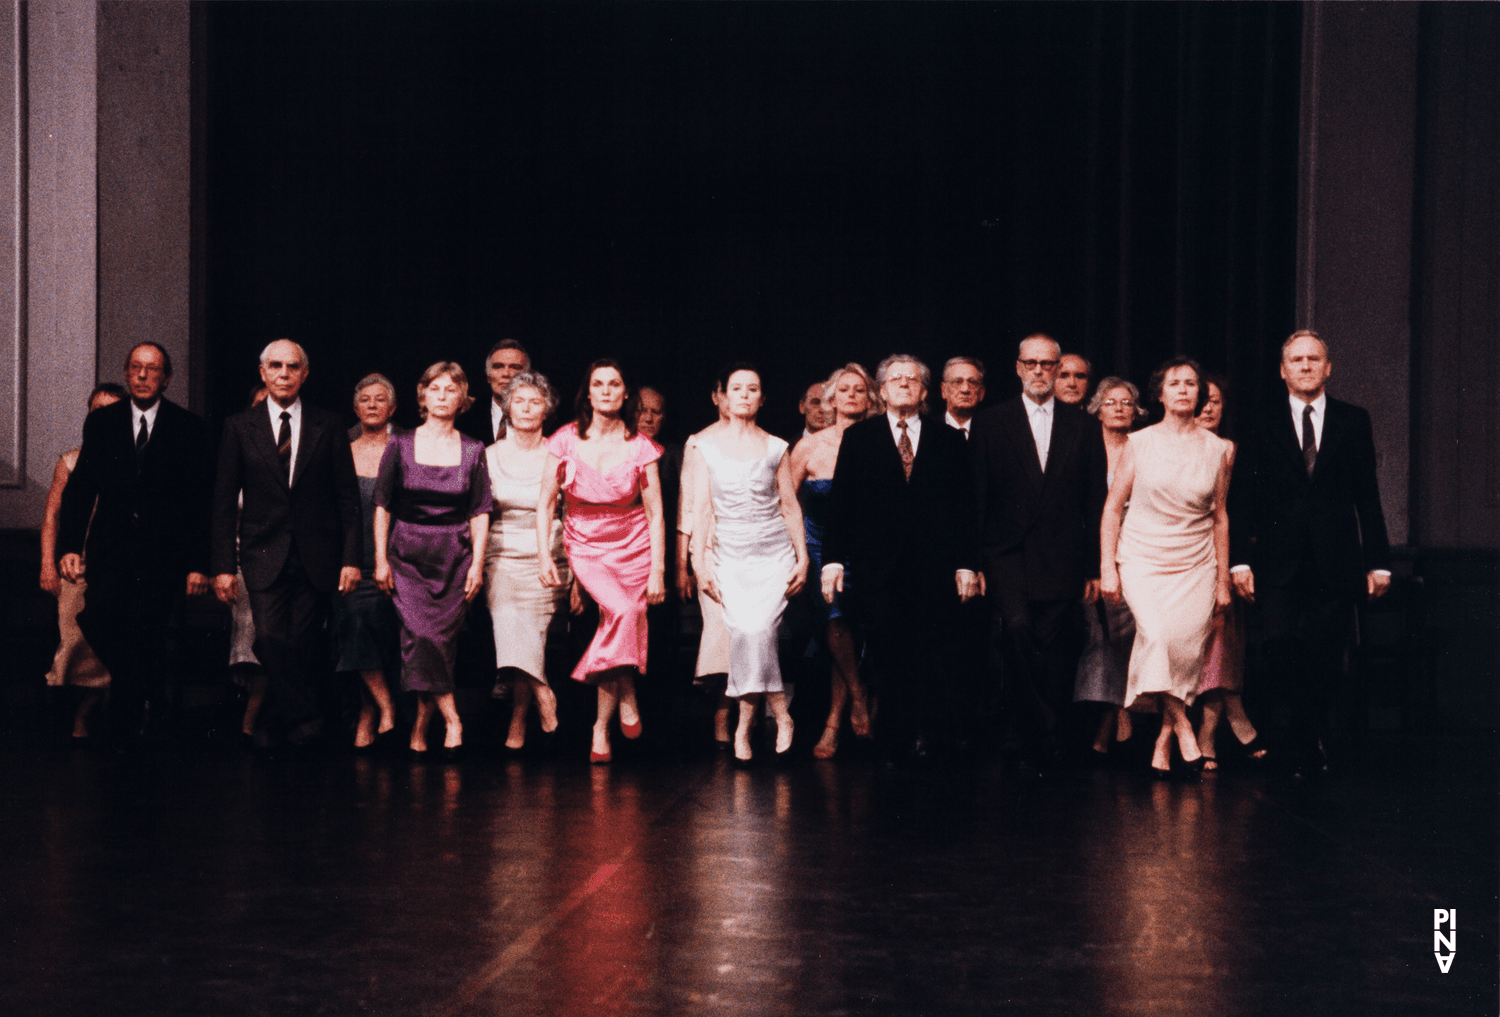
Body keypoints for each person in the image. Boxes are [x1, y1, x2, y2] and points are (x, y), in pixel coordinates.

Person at [1228, 329, 1391, 777]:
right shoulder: (1262, 421)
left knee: (1324, 652)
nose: (1305, 366)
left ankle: (1305, 737)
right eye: (1296, 360)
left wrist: (1378, 561)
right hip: (1278, 561)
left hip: (1336, 561)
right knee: (1279, 645)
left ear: (1328, 367)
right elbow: (1241, 497)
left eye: (1313, 359)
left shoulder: (1353, 420)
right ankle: (1301, 732)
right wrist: (1239, 559)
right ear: (1283, 371)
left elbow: (1368, 495)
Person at [821, 355, 980, 764]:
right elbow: (841, 505)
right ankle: (893, 739)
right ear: (883, 391)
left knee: (931, 651)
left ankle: (928, 736)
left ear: (925, 392)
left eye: (913, 379)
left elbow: (964, 508)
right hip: (878, 570)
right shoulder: (860, 438)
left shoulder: (948, 440)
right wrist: (833, 560)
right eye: (896, 379)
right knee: (886, 653)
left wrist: (966, 563)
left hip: (934, 570)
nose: (904, 384)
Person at [59, 343, 212, 749]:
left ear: (167, 377)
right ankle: (148, 696)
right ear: (127, 374)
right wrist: (69, 546)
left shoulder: (188, 427)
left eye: (153, 369)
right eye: (136, 368)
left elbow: (200, 502)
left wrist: (199, 563)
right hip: (112, 553)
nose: (143, 376)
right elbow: (81, 488)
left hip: (163, 558)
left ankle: (131, 725)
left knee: (149, 634)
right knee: (98, 618)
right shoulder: (103, 422)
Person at [211, 339, 363, 748]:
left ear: (304, 374)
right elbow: (224, 503)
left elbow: (348, 501)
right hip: (261, 555)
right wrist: (224, 565)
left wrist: (350, 559)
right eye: (274, 366)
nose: (283, 373)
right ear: (262, 373)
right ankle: (308, 720)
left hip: (317, 557)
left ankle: (284, 724)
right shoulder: (239, 426)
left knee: (305, 643)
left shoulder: (328, 425)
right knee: (271, 637)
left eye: (291, 366)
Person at [970, 334, 1108, 769]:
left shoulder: (1083, 426)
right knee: (1015, 630)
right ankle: (1043, 728)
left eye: (1048, 364)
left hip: (1062, 556)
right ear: (1017, 368)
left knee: (1052, 645)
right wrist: (974, 563)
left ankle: (1027, 731)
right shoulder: (992, 422)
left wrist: (1094, 566)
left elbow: (1093, 501)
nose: (1039, 372)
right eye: (1031, 363)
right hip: (1006, 553)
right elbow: (977, 497)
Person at [1101, 357, 1232, 777]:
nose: (1183, 390)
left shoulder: (1219, 449)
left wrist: (1223, 580)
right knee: (1156, 638)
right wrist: (1108, 567)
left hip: (1196, 565)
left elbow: (1220, 517)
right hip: (1142, 558)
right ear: (1159, 393)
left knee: (1181, 655)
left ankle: (1162, 739)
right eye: (1174, 383)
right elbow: (1111, 510)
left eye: (1191, 383)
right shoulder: (1137, 443)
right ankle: (1183, 727)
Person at [538, 359, 667, 763]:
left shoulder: (640, 447)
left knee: (618, 621)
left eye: (615, 384)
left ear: (624, 392)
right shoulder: (564, 440)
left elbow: (655, 513)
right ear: (588, 392)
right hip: (586, 544)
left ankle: (600, 728)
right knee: (625, 613)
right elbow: (544, 505)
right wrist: (546, 553)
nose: (607, 390)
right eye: (599, 384)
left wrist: (659, 568)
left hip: (633, 544)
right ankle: (626, 696)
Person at [689, 365, 808, 762]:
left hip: (773, 556)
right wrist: (700, 566)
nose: (743, 395)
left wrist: (803, 558)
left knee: (758, 631)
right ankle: (778, 709)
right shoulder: (704, 446)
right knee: (745, 633)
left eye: (752, 388)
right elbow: (702, 511)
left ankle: (743, 726)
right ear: (723, 395)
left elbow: (790, 507)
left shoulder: (776, 447)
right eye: (736, 388)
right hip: (729, 556)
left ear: (762, 398)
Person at [373, 362, 491, 758]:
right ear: (422, 396)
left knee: (439, 642)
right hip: (407, 555)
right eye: (435, 389)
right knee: (421, 637)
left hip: (454, 557)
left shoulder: (474, 449)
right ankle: (453, 717)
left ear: (462, 399)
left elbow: (480, 510)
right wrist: (380, 559)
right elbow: (382, 506)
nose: (442, 396)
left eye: (450, 389)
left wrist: (477, 564)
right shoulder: (400, 444)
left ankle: (422, 723)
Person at [789, 363, 880, 759]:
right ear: (831, 398)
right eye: (844, 390)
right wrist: (797, 555)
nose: (852, 396)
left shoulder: (880, 441)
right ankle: (858, 697)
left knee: (865, 631)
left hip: (868, 549)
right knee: (835, 622)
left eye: (860, 390)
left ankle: (833, 722)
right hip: (820, 549)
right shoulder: (810, 446)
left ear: (870, 397)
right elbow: (786, 503)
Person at [484, 371, 569, 752]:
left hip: (548, 557)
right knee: (510, 623)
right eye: (519, 401)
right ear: (507, 407)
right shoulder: (488, 456)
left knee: (528, 636)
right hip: (501, 558)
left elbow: (570, 513)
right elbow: (480, 516)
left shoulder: (560, 453)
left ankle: (518, 720)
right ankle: (542, 691)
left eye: (535, 401)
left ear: (547, 409)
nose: (527, 408)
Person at [41, 382, 125, 739]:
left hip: (119, 566)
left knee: (117, 645)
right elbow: (52, 516)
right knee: (76, 644)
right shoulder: (71, 460)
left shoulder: (133, 461)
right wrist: (48, 563)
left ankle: (97, 718)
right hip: (76, 566)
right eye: (98, 410)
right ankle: (82, 715)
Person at [1191, 377, 1265, 770]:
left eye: (1214, 401)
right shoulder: (1171, 445)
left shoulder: (1234, 451)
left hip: (1223, 556)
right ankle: (1233, 715)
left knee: (1222, 641)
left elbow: (1242, 510)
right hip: (1179, 555)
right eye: (1201, 400)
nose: (1206, 407)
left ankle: (1208, 732)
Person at [1073, 378, 1146, 757]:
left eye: (1126, 402)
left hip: (1139, 552)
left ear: (1137, 411)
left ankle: (1116, 716)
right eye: (1110, 401)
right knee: (1099, 637)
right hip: (1093, 558)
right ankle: (1110, 717)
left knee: (1130, 634)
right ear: (1096, 409)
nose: (1118, 407)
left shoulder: (1146, 446)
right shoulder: (1084, 447)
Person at [337, 374, 404, 751]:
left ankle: (370, 710)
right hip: (351, 562)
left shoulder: (407, 447)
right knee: (356, 623)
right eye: (365, 399)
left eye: (381, 399)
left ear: (392, 408)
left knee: (385, 631)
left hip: (396, 560)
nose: (373, 405)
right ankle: (380, 706)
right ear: (355, 407)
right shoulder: (339, 445)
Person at [678, 378, 733, 744]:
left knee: (748, 632)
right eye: (729, 391)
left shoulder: (766, 442)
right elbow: (688, 503)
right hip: (710, 548)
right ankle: (722, 711)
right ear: (716, 396)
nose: (736, 399)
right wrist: (683, 564)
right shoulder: (698, 441)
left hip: (752, 546)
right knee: (721, 629)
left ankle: (738, 709)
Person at [460, 338, 531, 445]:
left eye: (514, 367)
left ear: (527, 377)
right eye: (498, 367)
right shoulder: (466, 418)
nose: (506, 374)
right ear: (488, 376)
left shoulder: (543, 419)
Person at [939, 357, 986, 438]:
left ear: (981, 393)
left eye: (972, 382)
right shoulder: (925, 431)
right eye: (957, 382)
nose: (965, 389)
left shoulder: (994, 431)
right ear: (944, 390)